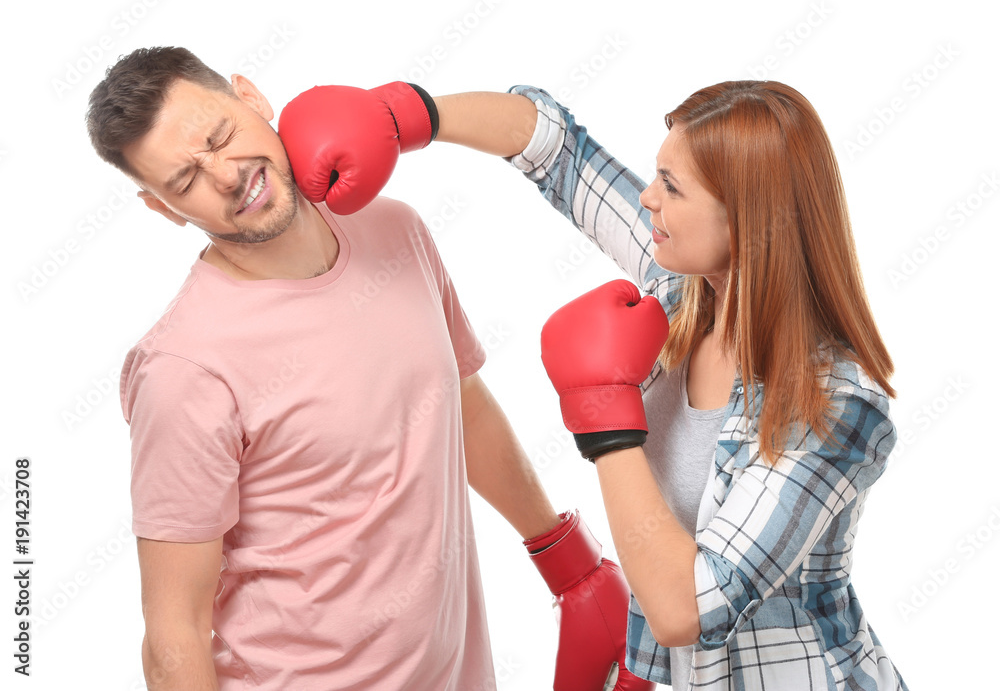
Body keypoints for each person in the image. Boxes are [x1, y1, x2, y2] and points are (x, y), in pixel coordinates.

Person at [282, 80, 910, 689]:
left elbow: (686, 609)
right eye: (656, 175)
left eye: (672, 186)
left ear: (746, 219)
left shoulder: (834, 403)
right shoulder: (681, 296)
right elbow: (554, 148)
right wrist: (403, 116)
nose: (648, 198)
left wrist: (608, 423)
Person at [86, 47, 651, 691]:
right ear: (162, 208)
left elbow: (459, 405)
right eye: (186, 180)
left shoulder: (394, 230)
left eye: (220, 137)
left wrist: (567, 562)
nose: (226, 176)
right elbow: (174, 633)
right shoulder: (184, 369)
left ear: (250, 97)